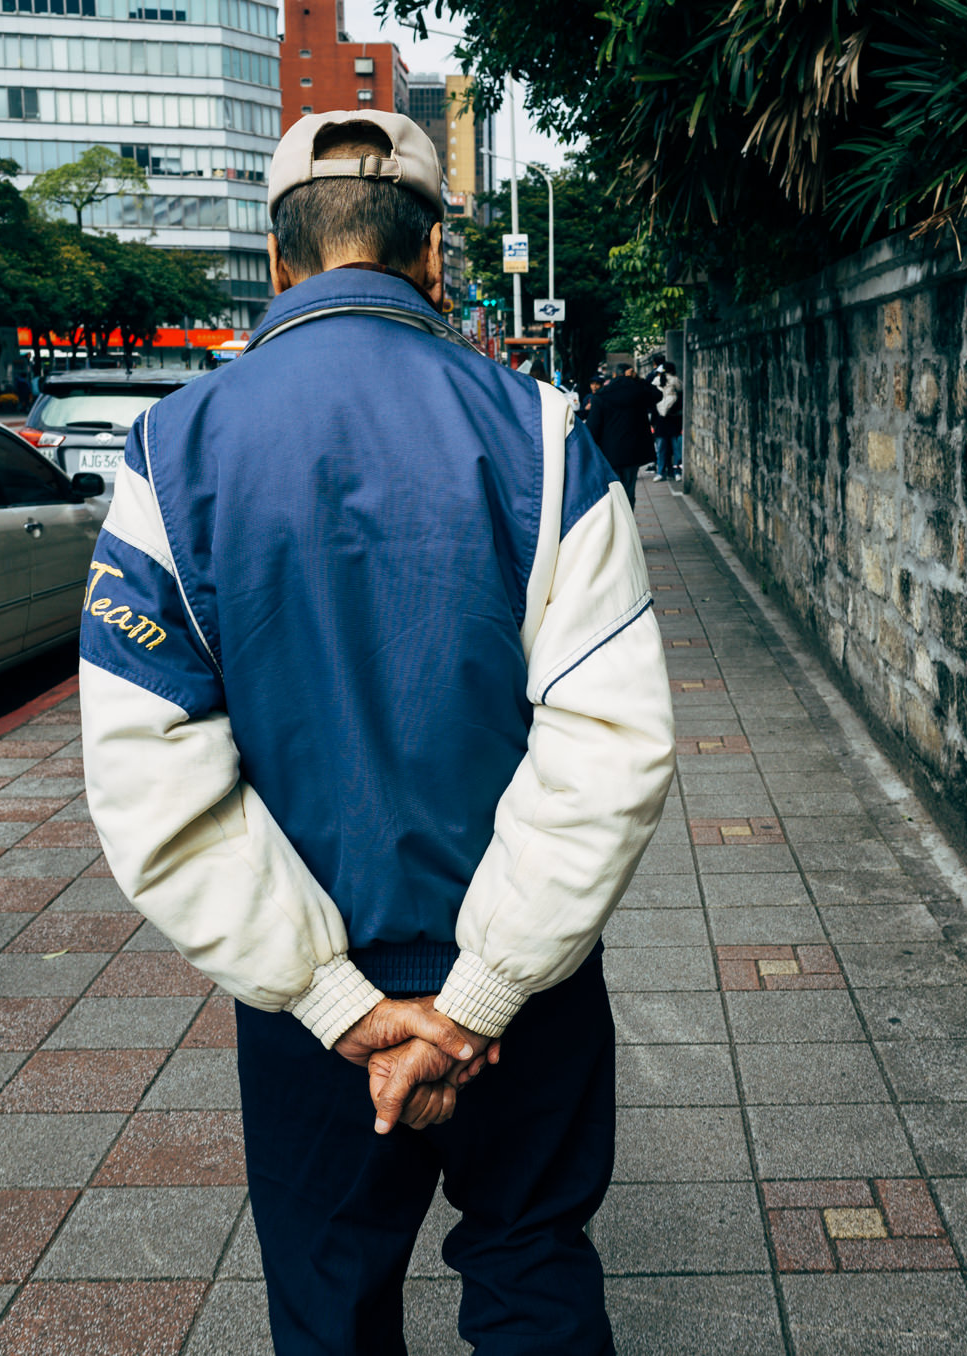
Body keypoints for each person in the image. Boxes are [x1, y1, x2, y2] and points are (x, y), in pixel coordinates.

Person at [79, 108, 676, 1354]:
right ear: (433, 252)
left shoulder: (170, 450)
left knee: (331, 1300)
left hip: (311, 1003)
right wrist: (479, 999)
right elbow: (608, 740)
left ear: (278, 255)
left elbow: (148, 770)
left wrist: (336, 1002)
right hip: (527, 983)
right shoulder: (542, 434)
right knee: (532, 1265)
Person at [583, 362, 658, 506]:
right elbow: (657, 394)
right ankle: (628, 515)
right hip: (633, 451)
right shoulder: (638, 392)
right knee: (629, 490)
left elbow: (593, 427)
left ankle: (618, 517)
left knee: (613, 491)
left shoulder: (601, 395)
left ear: (614, 375)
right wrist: (638, 379)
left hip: (609, 452)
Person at [650, 353, 684, 485]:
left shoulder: (655, 382)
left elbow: (652, 403)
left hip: (661, 420)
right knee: (676, 448)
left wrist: (652, 421)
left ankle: (661, 472)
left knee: (661, 448)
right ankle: (676, 471)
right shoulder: (676, 382)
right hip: (673, 420)